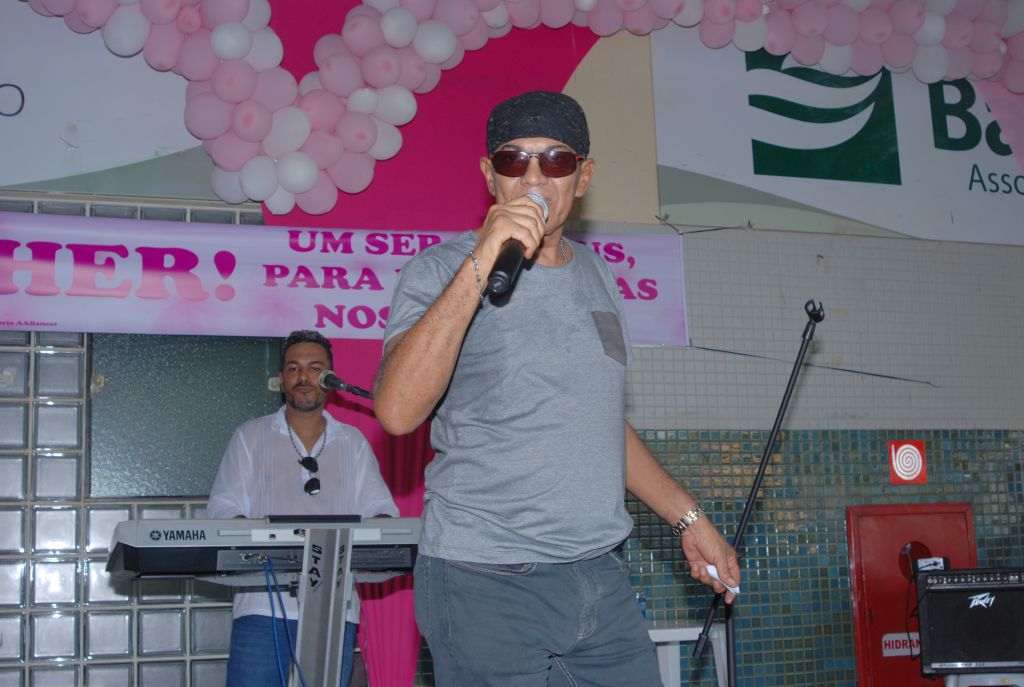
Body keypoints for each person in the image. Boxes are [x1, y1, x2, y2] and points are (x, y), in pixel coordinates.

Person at [373, 90, 742, 686]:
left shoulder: (598, 274)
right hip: (483, 578)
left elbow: (598, 422)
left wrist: (689, 518)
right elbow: (395, 412)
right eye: (514, 160)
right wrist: (480, 264)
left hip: (600, 577)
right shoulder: (441, 270)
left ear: (583, 176)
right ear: (490, 176)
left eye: (556, 160)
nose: (534, 177)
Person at [208, 330, 398, 687]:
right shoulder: (250, 436)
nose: (304, 377)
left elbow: (380, 510)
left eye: (315, 368)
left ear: (330, 378)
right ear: (281, 379)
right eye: (294, 368)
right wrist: (264, 543)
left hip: (335, 607)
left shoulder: (353, 442)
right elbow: (222, 509)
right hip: (261, 605)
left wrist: (380, 534)